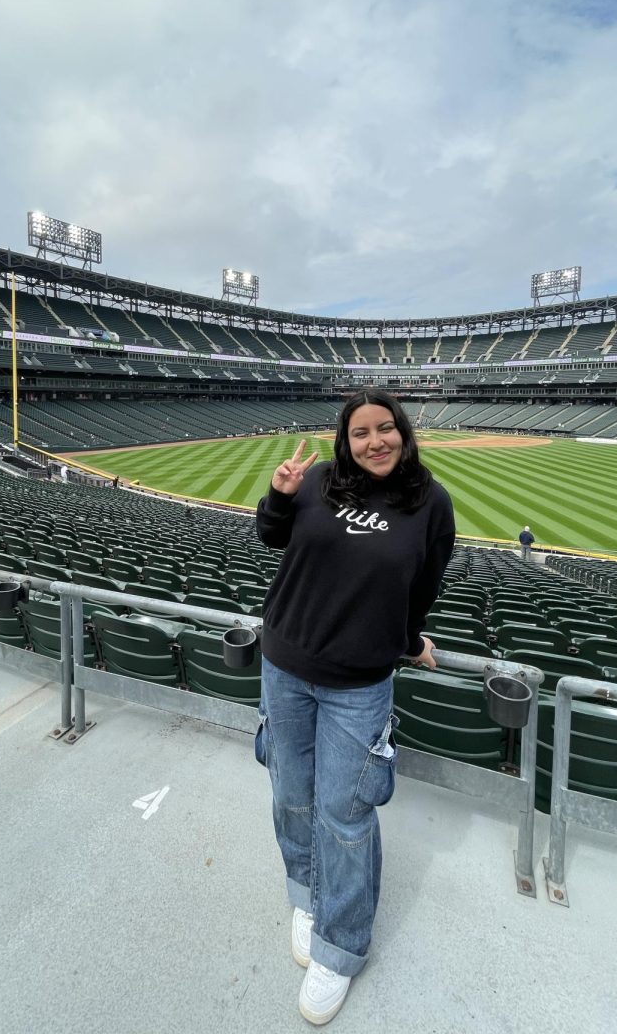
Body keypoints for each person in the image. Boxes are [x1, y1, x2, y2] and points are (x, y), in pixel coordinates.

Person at [255, 389, 455, 1025]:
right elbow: (271, 539)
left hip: (358, 686)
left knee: (345, 816)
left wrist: (407, 641)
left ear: (403, 431)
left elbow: (421, 589)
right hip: (284, 665)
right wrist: (280, 497)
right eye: (362, 432)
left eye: (385, 429)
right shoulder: (316, 481)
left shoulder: (430, 503)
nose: (375, 442)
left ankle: (340, 950)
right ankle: (306, 895)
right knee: (290, 791)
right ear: (345, 439)